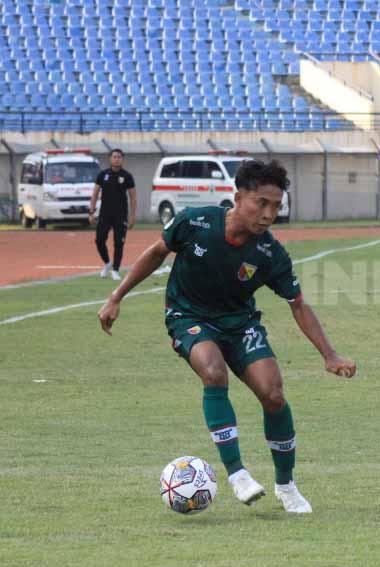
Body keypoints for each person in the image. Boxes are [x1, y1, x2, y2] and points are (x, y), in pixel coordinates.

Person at [97, 160, 357, 514]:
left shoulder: (269, 253)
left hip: (240, 324)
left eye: (276, 206)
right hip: (188, 315)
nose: (268, 214)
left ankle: (287, 486)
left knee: (274, 395)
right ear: (238, 197)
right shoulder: (196, 222)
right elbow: (158, 252)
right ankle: (237, 475)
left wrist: (330, 354)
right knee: (213, 371)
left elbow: (298, 304)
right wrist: (116, 298)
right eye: (261, 203)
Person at [89, 149, 136, 281]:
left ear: (122, 159)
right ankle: (107, 263)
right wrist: (91, 212)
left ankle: (115, 270)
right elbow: (95, 194)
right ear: (110, 159)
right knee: (99, 240)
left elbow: (133, 197)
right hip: (104, 214)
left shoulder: (127, 176)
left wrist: (132, 215)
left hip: (121, 215)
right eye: (114, 157)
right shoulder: (103, 175)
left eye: (119, 157)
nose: (117, 159)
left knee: (118, 243)